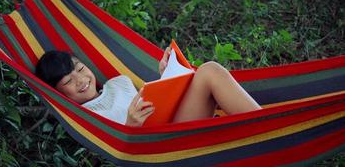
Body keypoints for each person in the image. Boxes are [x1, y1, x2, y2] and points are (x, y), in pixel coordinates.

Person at [36, 48, 261, 127]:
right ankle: (269, 130)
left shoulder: (120, 82)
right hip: (157, 151)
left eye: (79, 68)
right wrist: (130, 127)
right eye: (67, 81)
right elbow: (121, 156)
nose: (80, 79)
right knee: (209, 72)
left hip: (170, 127)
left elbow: (156, 105)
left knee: (209, 70)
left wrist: (167, 79)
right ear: (58, 92)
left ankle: (270, 128)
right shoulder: (81, 118)